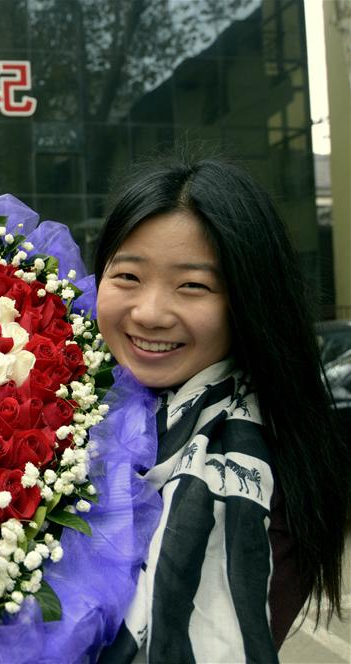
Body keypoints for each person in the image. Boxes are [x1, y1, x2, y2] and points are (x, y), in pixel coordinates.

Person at [92, 157, 349, 662]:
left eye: (193, 286)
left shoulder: (256, 479)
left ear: (250, 300)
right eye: (127, 276)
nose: (149, 313)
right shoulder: (81, 406)